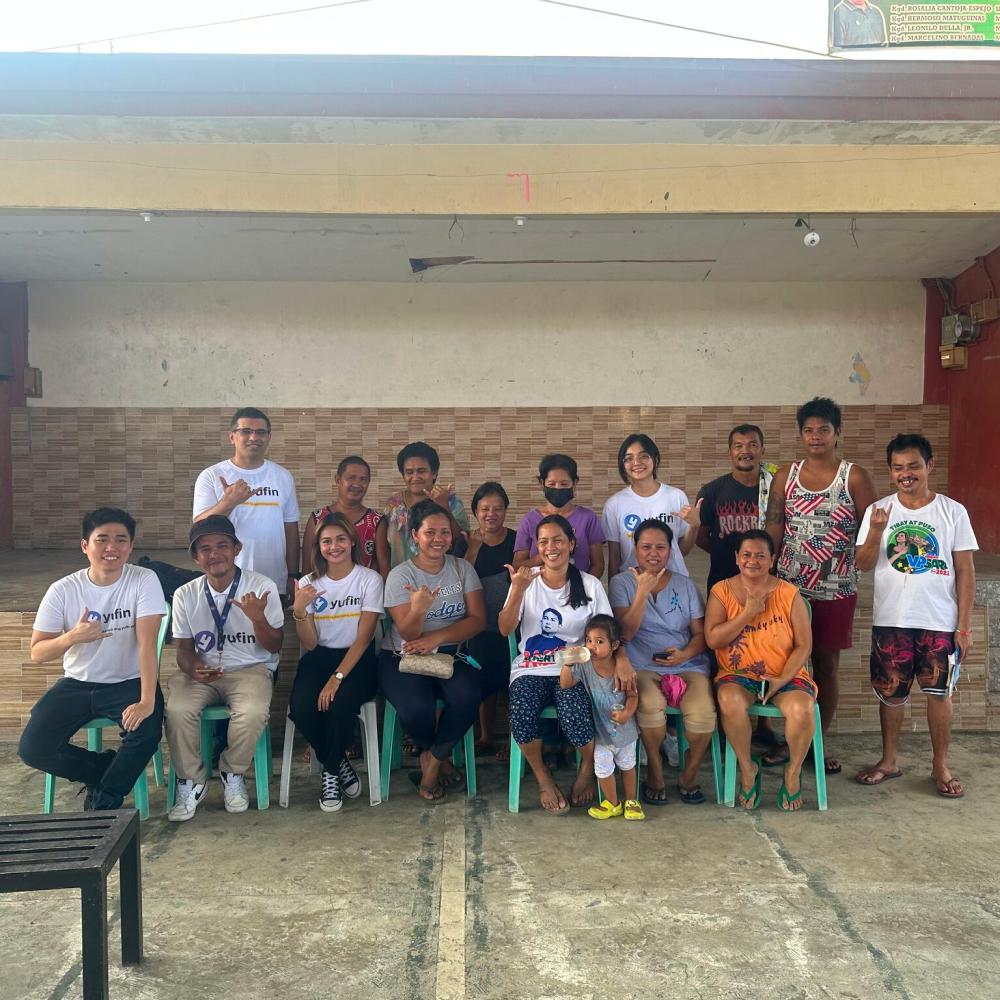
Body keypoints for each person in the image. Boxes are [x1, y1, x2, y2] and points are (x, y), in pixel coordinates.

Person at [854, 434, 977, 799]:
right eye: (898, 468)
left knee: (939, 694)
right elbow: (861, 565)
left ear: (929, 467)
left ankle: (940, 766)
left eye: (913, 466)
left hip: (939, 620)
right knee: (891, 694)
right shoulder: (878, 511)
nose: (905, 474)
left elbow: (966, 572)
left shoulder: (953, 511)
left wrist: (965, 626)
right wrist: (876, 531)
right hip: (892, 617)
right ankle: (889, 761)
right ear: (891, 471)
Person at [18, 508, 165, 810]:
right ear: (85, 545)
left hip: (128, 682)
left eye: (121, 540)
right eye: (102, 540)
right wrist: (72, 637)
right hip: (77, 684)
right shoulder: (62, 590)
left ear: (131, 546)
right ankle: (103, 768)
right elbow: (38, 653)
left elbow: (147, 644)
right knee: (34, 748)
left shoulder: (143, 579)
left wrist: (147, 700)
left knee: (146, 734)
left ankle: (103, 804)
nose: (112, 548)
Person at [765, 397, 876, 775]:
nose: (816, 437)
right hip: (789, 588)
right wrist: (766, 578)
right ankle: (790, 740)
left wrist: (866, 558)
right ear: (801, 434)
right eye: (809, 430)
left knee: (825, 664)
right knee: (788, 662)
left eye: (823, 430)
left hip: (836, 587)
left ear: (837, 433)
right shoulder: (786, 476)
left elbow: (872, 530)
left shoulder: (855, 477)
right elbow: (774, 528)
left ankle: (817, 743)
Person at [500, 514, 636, 815]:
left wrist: (622, 658)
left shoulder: (589, 584)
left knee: (576, 712)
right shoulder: (526, 581)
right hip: (531, 668)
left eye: (558, 540)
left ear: (571, 544)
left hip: (577, 670)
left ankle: (588, 768)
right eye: (544, 541)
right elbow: (505, 629)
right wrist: (518, 590)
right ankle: (543, 778)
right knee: (521, 710)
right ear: (537, 545)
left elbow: (610, 631)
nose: (551, 547)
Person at [166, 515, 285, 821]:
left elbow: (274, 646)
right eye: (205, 549)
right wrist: (194, 669)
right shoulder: (185, 594)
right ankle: (191, 781)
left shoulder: (261, 587)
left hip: (249, 669)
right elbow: (184, 649)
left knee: (254, 711)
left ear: (236, 548)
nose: (214, 553)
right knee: (177, 710)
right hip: (201, 673)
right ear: (196, 556)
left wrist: (258, 618)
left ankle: (232, 774)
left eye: (222, 545)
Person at [379, 500, 486, 801]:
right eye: (430, 532)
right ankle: (441, 759)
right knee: (416, 708)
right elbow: (408, 633)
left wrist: (435, 637)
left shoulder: (462, 569)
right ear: (415, 535)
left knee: (468, 696)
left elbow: (478, 620)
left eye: (444, 532)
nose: (438, 539)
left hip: (450, 653)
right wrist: (418, 611)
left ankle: (431, 764)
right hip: (402, 657)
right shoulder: (401, 576)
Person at [693, 423, 784, 765]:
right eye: (738, 446)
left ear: (762, 450)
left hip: (765, 585)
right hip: (724, 585)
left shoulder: (773, 489)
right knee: (727, 650)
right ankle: (727, 721)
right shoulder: (714, 490)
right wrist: (724, 554)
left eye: (752, 445)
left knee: (765, 647)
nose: (745, 450)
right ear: (729, 452)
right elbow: (702, 536)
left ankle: (762, 724)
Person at [705, 530, 816, 811]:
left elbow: (804, 646)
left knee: (802, 709)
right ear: (736, 558)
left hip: (784, 674)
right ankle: (747, 768)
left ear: (772, 559)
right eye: (746, 555)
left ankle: (792, 771)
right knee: (728, 700)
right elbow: (713, 639)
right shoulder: (722, 591)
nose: (752, 561)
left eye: (760, 556)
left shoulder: (789, 593)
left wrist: (781, 679)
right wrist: (747, 612)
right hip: (738, 674)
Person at [609, 519, 716, 806]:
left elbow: (700, 635)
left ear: (671, 550)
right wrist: (642, 590)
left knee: (703, 712)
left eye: (660, 547)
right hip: (641, 664)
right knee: (651, 707)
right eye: (646, 547)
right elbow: (624, 634)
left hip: (687, 664)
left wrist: (684, 655)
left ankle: (689, 774)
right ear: (635, 548)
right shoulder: (620, 583)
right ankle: (655, 772)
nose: (653, 554)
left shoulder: (686, 585)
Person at [289, 512, 384, 811]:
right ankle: (339, 763)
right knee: (302, 708)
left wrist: (337, 677)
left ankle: (329, 773)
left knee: (340, 706)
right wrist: (300, 612)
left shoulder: (369, 579)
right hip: (319, 658)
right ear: (318, 546)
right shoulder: (308, 583)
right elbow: (310, 643)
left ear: (352, 542)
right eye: (327, 541)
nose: (334, 546)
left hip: (358, 659)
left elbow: (364, 638)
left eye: (340, 539)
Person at [193, 406, 300, 604]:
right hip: (227, 580)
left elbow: (291, 529)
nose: (254, 437)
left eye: (260, 432)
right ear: (232, 436)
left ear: (268, 437)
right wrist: (228, 502)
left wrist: (293, 575)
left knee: (272, 635)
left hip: (273, 579)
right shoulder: (211, 476)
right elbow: (198, 527)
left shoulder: (282, 476)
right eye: (246, 431)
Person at [560, 615, 643, 821]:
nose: (592, 646)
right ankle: (612, 803)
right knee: (603, 769)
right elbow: (565, 684)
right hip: (602, 734)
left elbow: (633, 696)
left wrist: (627, 714)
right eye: (588, 640)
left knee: (628, 766)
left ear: (614, 645)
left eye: (599, 642)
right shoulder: (586, 667)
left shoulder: (622, 668)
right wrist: (568, 664)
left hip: (625, 732)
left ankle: (632, 801)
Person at [464, 481, 517, 757]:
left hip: (512, 626)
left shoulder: (517, 540)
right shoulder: (466, 541)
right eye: (485, 508)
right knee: (485, 682)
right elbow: (460, 580)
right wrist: (473, 548)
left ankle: (513, 741)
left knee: (512, 682)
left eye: (497, 508)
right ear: (475, 511)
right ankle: (485, 738)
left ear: (506, 510)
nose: (491, 514)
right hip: (479, 626)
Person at [602, 434, 696, 580]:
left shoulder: (676, 496)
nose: (636, 462)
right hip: (632, 584)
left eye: (643, 456)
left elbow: (681, 550)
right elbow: (614, 556)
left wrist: (695, 526)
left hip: (673, 580)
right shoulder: (614, 504)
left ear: (655, 459)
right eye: (629, 458)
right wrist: (614, 593)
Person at [382, 442, 470, 575]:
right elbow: (384, 549)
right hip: (402, 581)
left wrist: (444, 506)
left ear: (434, 473)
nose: (415, 477)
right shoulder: (393, 505)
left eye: (421, 471)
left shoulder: (451, 501)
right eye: (409, 472)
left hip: (443, 580)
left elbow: (462, 541)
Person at [513, 453, 605, 577]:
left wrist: (584, 590)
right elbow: (517, 566)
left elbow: (598, 564)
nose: (558, 489)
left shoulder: (588, 518)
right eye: (552, 484)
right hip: (539, 591)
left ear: (575, 483)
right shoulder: (529, 521)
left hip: (579, 591)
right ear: (542, 483)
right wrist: (541, 557)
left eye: (564, 484)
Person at [302, 455, 389, 576]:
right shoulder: (318, 518)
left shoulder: (376, 520)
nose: (357, 484)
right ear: (338, 480)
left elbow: (384, 565)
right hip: (324, 591)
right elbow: (308, 564)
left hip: (365, 590)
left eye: (363, 479)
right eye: (351, 478)